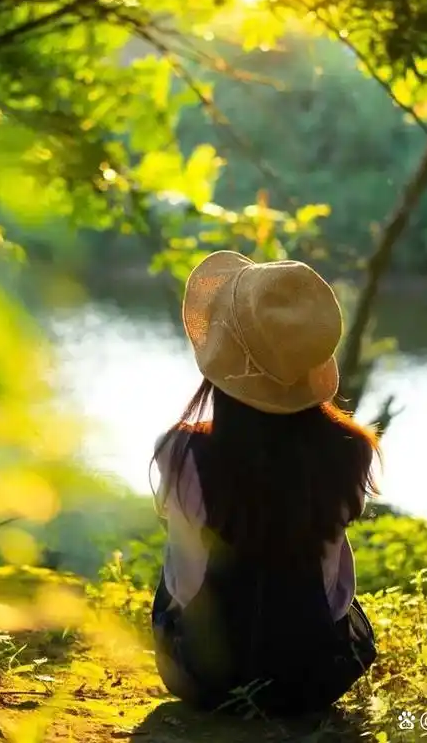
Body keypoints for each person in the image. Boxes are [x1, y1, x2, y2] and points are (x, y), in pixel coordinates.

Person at [150, 250, 379, 717]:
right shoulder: (351, 450)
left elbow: (185, 582)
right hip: (315, 678)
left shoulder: (182, 452)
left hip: (204, 677)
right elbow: (336, 590)